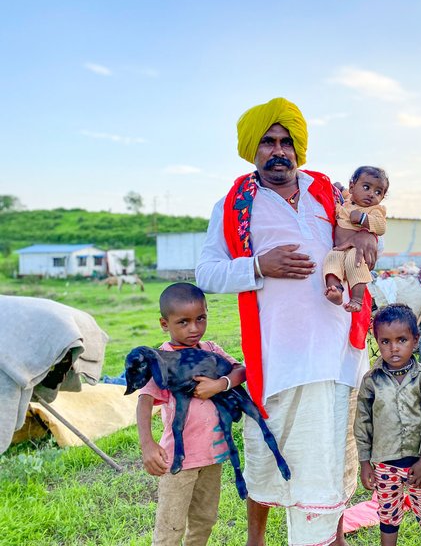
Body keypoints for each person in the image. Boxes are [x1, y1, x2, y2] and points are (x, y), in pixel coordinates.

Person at [195, 97, 377, 546]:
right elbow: (207, 271)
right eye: (268, 143)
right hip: (278, 359)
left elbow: (362, 231)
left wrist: (362, 232)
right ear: (252, 151)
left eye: (286, 143)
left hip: (338, 352)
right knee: (269, 456)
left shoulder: (326, 191)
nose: (279, 152)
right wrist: (259, 265)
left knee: (333, 457)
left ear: (298, 149)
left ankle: (331, 539)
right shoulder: (234, 204)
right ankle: (256, 541)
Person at [136, 282, 246, 546]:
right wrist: (147, 445)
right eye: (183, 322)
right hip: (178, 461)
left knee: (204, 520)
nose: (194, 328)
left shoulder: (211, 350)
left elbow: (241, 370)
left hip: (213, 456)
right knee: (170, 527)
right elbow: (144, 400)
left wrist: (220, 384)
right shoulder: (163, 360)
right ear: (165, 324)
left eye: (200, 319)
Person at [354, 304, 421, 546]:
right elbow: (362, 423)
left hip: (419, 464)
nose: (394, 347)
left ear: (415, 340)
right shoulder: (372, 381)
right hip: (384, 464)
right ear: (377, 341)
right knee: (388, 515)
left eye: (401, 339)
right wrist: (365, 463)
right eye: (385, 341)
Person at [324, 165, 388, 312]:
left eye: (378, 192)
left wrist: (363, 218)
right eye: (366, 187)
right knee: (331, 259)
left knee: (356, 263)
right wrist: (339, 187)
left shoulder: (374, 210)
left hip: (356, 250)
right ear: (352, 187)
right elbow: (345, 192)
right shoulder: (348, 201)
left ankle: (357, 299)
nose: (372, 194)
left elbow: (381, 227)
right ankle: (336, 290)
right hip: (339, 249)